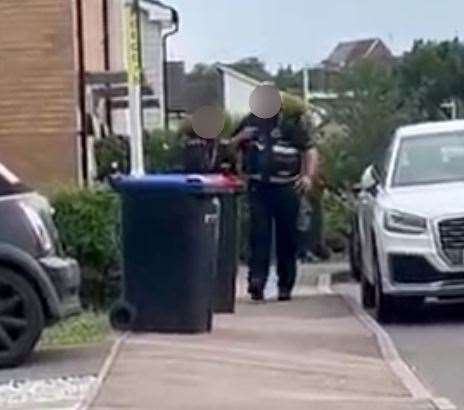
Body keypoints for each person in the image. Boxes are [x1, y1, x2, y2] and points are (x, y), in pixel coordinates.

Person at [231, 88, 318, 301]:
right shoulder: (250, 121)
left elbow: (310, 150)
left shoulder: (292, 124)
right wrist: (240, 139)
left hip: (287, 187)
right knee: (258, 235)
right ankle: (257, 282)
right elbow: (231, 147)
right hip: (259, 186)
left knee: (287, 238)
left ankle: (285, 285)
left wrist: (307, 177)